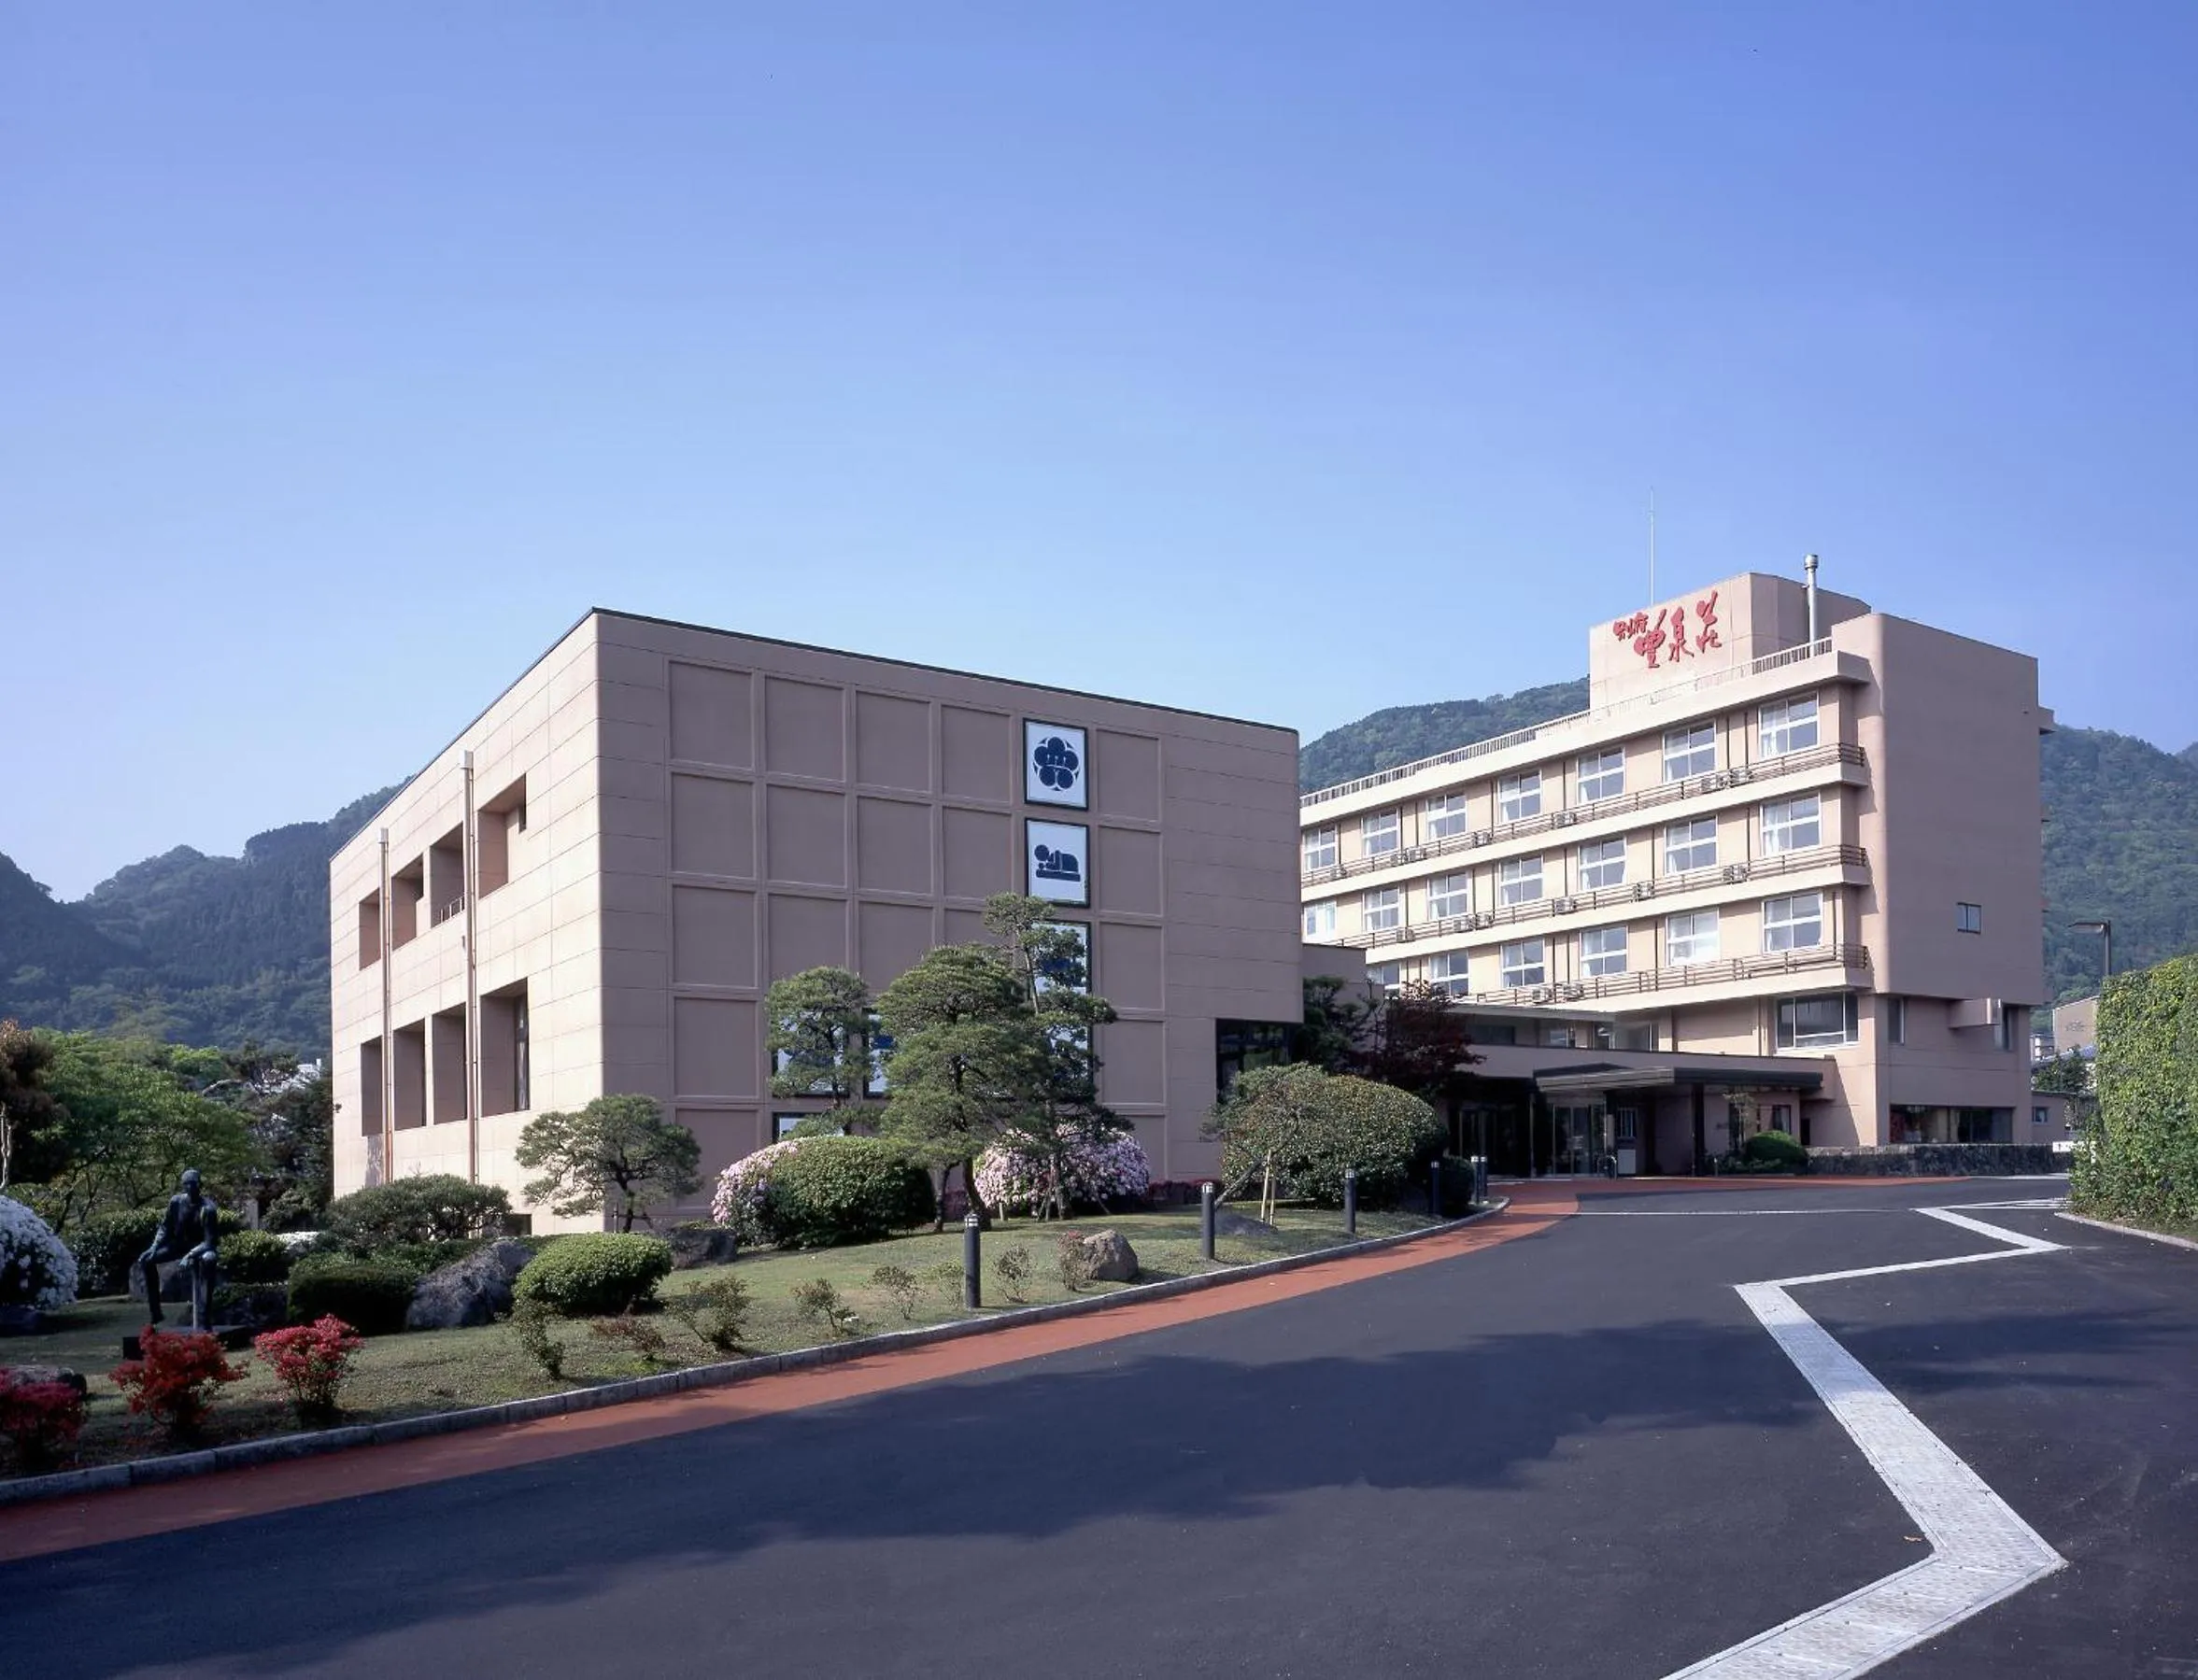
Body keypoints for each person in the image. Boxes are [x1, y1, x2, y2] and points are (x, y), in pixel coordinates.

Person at [139, 1168, 221, 1329]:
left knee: (209, 1260)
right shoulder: (176, 1202)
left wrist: (190, 1255)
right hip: (178, 1246)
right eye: (186, 1185)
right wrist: (154, 1247)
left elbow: (210, 1242)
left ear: (200, 1185)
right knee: (147, 1260)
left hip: (201, 1248)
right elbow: (165, 1227)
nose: (190, 1188)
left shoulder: (208, 1208)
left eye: (193, 1184)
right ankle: (156, 1312)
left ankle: (205, 1319)